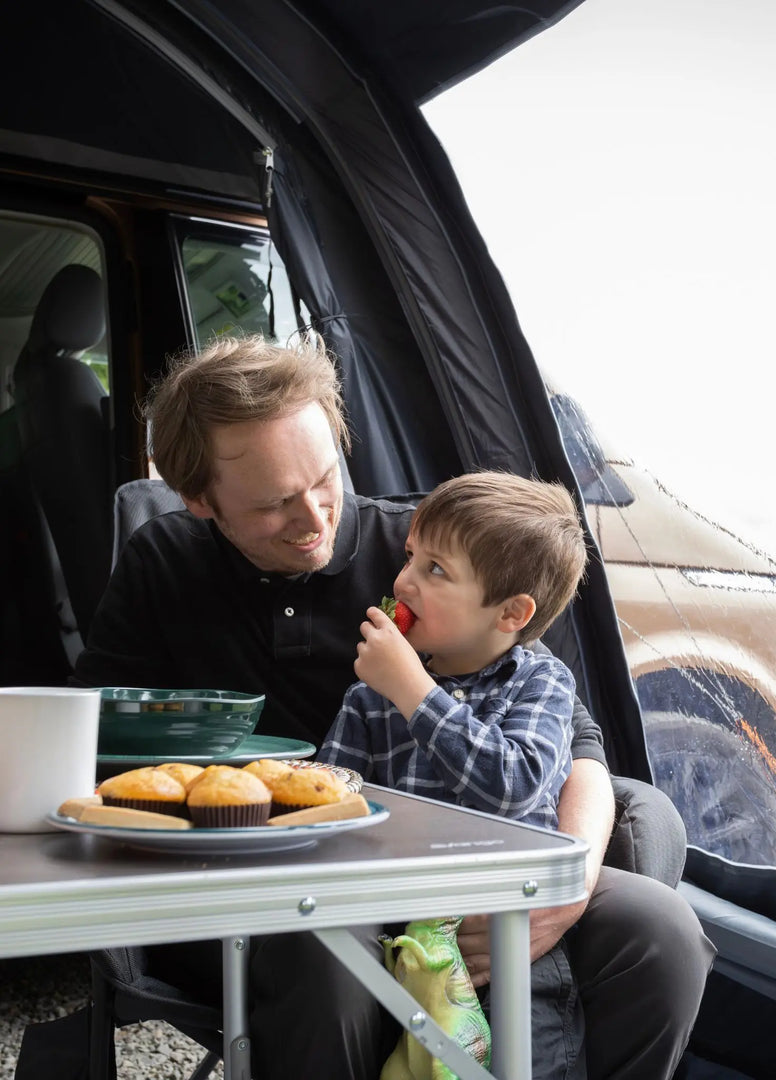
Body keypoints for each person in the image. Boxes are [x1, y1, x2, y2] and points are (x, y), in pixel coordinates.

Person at [74, 334, 715, 1080]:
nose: (314, 517)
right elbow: (98, 736)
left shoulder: (428, 553)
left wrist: (560, 885)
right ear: (200, 501)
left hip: (470, 857)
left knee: (661, 931)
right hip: (277, 877)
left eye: (323, 480)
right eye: (275, 505)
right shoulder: (164, 564)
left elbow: (576, 740)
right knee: (326, 945)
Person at [319, 470, 588, 833]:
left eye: (435, 569)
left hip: (504, 885)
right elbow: (326, 809)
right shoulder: (371, 697)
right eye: (409, 556)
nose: (402, 583)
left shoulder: (542, 682)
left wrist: (413, 691)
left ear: (510, 613)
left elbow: (512, 790)